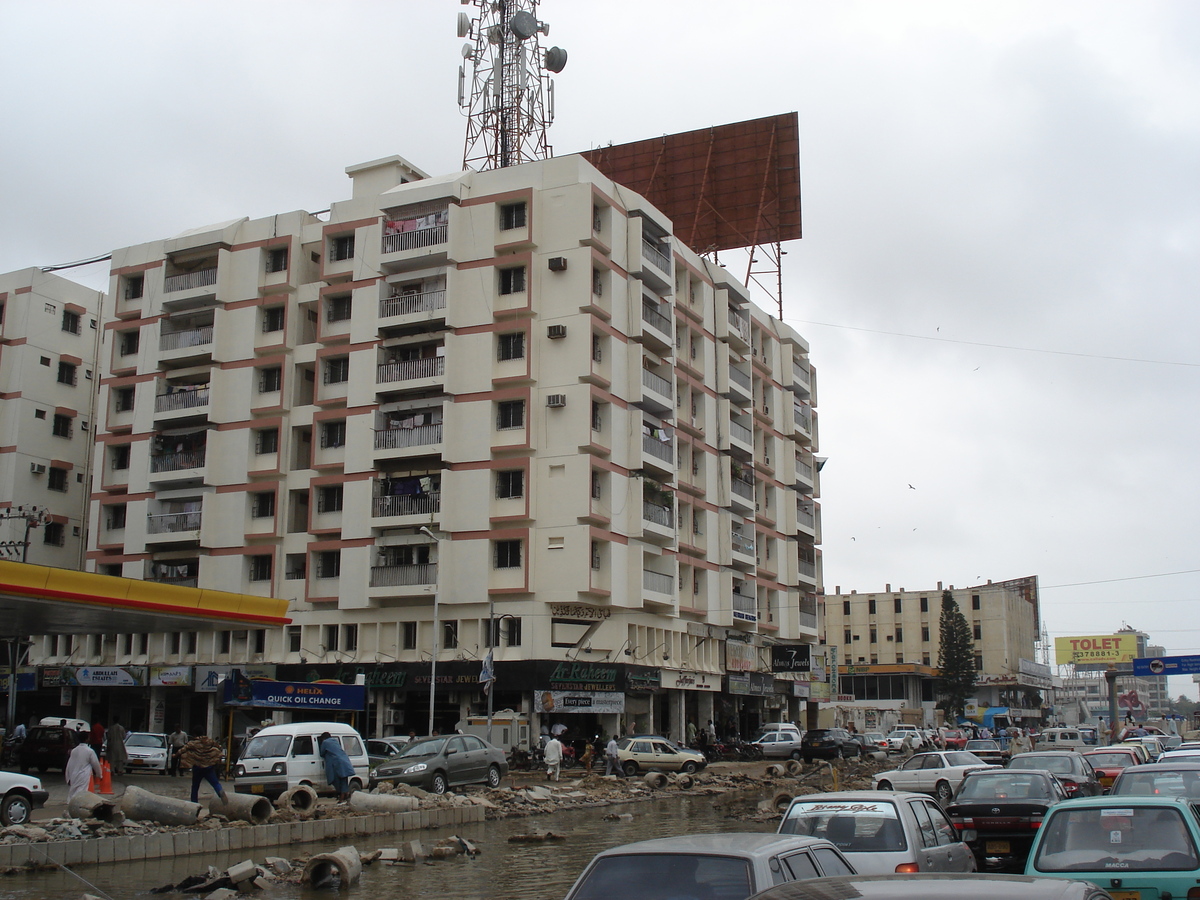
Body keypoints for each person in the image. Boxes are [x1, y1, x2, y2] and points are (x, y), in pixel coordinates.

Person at [180, 729, 226, 804]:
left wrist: (175, 755)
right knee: (215, 783)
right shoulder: (209, 741)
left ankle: (194, 803)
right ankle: (220, 791)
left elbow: (183, 750)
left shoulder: (193, 743)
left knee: (195, 787)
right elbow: (219, 747)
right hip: (208, 766)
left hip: (198, 767)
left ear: (194, 734)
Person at [319, 731, 356, 802]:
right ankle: (345, 795)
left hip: (337, 763)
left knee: (335, 780)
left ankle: (342, 797)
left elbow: (322, 753)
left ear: (323, 738)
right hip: (345, 761)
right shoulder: (335, 741)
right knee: (344, 780)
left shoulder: (325, 742)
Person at [65, 732, 102, 801]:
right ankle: (76, 804)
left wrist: (68, 777)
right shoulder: (90, 751)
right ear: (87, 739)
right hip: (83, 775)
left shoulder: (74, 750)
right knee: (81, 791)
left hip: (73, 774)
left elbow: (69, 764)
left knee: (73, 790)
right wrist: (99, 775)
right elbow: (95, 764)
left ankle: (71, 803)